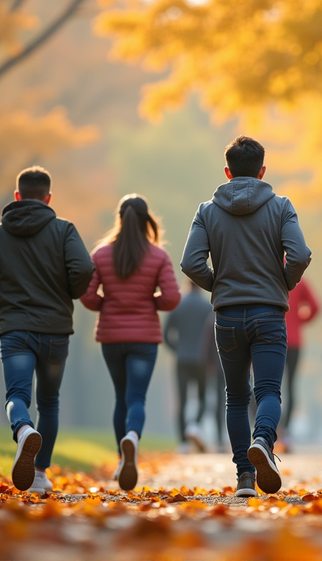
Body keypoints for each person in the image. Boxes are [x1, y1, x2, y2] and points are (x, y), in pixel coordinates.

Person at [181, 135, 311, 497]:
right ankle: (264, 443)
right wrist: (282, 284)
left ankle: (244, 478)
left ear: (227, 172)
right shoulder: (281, 206)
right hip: (269, 312)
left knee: (236, 396)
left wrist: (218, 286)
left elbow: (190, 262)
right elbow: (299, 255)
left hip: (227, 317)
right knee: (269, 390)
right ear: (262, 171)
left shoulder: (207, 211)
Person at [0, 166, 94, 494]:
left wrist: (3, 301)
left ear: (17, 196)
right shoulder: (64, 230)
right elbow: (83, 268)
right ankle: (39, 475)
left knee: (17, 396)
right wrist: (70, 293)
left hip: (15, 329)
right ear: (48, 197)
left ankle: (23, 430)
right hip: (55, 330)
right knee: (49, 402)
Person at [80, 194, 181, 491]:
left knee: (120, 396)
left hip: (111, 336)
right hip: (144, 337)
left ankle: (121, 459)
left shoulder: (100, 254)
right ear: (146, 220)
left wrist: (108, 306)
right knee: (137, 397)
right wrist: (150, 303)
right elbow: (172, 297)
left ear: (120, 219)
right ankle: (132, 439)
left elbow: (86, 295)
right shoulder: (158, 256)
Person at [164, 280, 214, 453]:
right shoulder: (207, 306)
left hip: (182, 359)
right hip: (201, 359)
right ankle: (194, 425)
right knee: (202, 397)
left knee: (182, 400)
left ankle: (182, 443)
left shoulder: (178, 305)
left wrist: (177, 349)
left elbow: (166, 334)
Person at [278, 279, 319, 451]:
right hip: (294, 340)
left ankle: (271, 428)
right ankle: (285, 432)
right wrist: (299, 320)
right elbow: (315, 307)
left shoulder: (268, 269)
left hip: (273, 336)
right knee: (291, 386)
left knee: (270, 385)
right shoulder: (300, 279)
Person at [200, 314, 227, 452]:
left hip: (217, 367)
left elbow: (207, 345)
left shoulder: (212, 320)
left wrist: (208, 364)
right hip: (230, 366)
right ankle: (223, 438)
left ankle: (220, 439)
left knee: (220, 402)